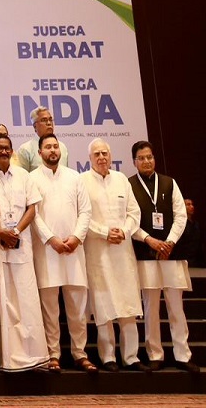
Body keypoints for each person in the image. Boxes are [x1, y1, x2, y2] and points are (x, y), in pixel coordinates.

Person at [129, 140, 198, 372]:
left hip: (171, 253)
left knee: (176, 306)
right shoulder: (129, 185)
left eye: (149, 157)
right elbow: (128, 221)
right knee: (151, 307)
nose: (146, 161)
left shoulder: (169, 183)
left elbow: (180, 215)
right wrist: (150, 240)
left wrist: (169, 242)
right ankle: (155, 354)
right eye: (141, 158)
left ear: (154, 159)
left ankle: (183, 355)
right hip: (146, 252)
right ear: (134, 162)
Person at [30, 134, 94, 372]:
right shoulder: (32, 178)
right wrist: (52, 239)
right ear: (40, 153)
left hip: (74, 250)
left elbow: (85, 211)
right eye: (47, 147)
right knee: (50, 309)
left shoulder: (74, 177)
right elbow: (32, 214)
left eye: (55, 146)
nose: (52, 150)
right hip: (47, 251)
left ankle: (80, 354)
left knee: (78, 308)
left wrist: (76, 237)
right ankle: (53, 354)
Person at [82, 139, 143, 372]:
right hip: (98, 253)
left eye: (105, 153)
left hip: (122, 251)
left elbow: (134, 212)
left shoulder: (121, 180)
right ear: (90, 158)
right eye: (97, 154)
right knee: (104, 305)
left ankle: (131, 357)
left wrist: (124, 231)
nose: (101, 157)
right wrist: (105, 232)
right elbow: (83, 218)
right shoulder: (83, 181)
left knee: (127, 304)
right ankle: (108, 357)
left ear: (111, 155)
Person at [0, 134, 46, 372]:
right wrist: (1, 232)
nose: (3, 152)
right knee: (5, 300)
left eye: (7, 148)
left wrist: (16, 231)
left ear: (12, 152)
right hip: (0, 245)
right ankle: (9, 359)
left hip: (21, 243)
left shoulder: (24, 176)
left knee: (27, 299)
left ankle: (35, 356)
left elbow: (33, 207)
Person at [17, 107, 68, 172]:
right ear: (35, 126)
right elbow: (22, 178)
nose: (49, 123)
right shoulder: (25, 149)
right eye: (44, 120)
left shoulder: (62, 147)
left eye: (50, 119)